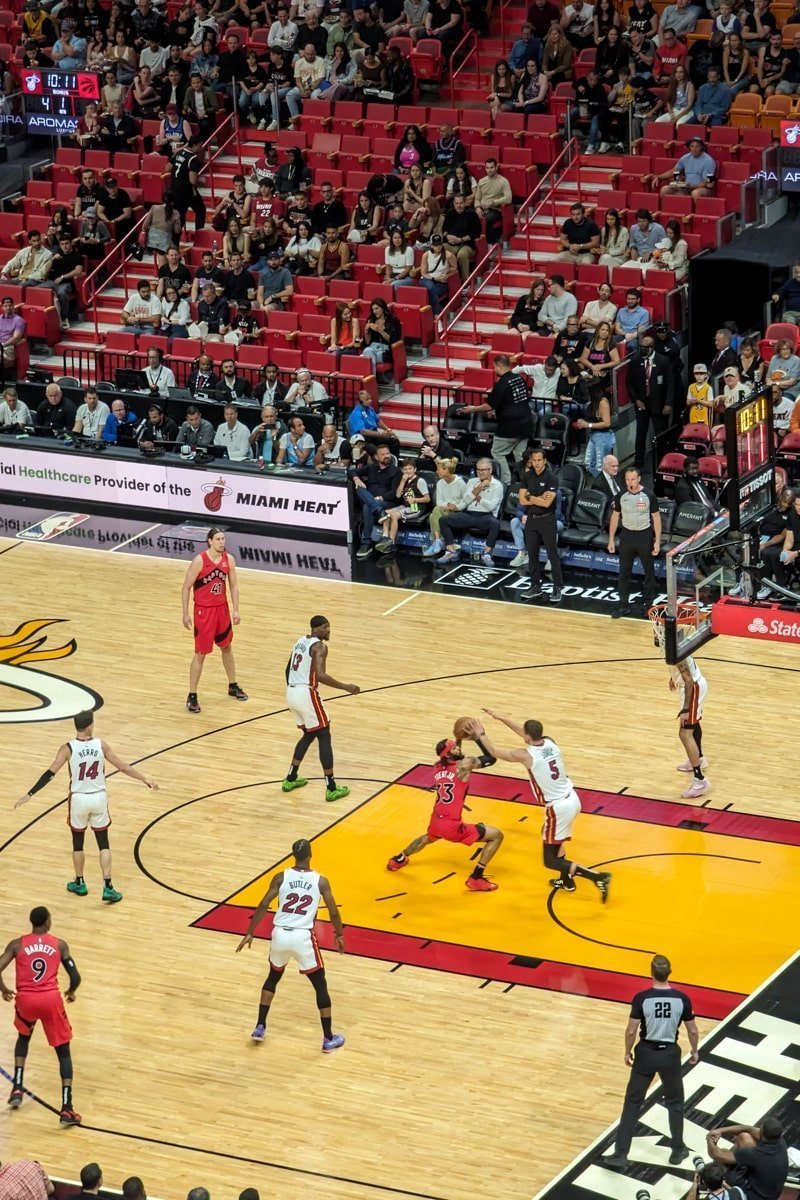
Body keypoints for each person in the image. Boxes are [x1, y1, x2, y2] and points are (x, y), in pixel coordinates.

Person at [14, 710, 157, 903]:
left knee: (77, 842)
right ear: (90, 725)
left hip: (78, 799)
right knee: (103, 842)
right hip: (98, 797)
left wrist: (29, 794)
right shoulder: (101, 745)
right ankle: (108, 887)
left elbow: (50, 773)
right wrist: (144, 778)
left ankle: (79, 882)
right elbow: (123, 767)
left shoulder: (67, 748)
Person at [477, 711, 611, 897]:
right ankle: (566, 880)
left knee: (549, 860)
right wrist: (501, 718)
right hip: (572, 798)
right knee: (550, 837)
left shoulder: (526, 756)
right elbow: (525, 733)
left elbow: (494, 752)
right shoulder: (550, 742)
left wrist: (480, 735)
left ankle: (598, 878)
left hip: (558, 808)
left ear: (526, 736)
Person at [236, 838, 346, 1052]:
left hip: (279, 934)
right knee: (320, 985)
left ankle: (260, 1026)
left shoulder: (281, 876)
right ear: (311, 854)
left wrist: (250, 932)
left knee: (273, 977)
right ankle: (328, 1039)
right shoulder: (320, 881)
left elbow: (264, 903)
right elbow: (333, 911)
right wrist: (339, 934)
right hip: (302, 936)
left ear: (293, 855)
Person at [602, 954, 699, 1170]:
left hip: (645, 1053)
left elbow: (631, 1030)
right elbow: (692, 1029)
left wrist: (627, 1051)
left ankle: (620, 1154)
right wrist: (694, 1050)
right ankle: (677, 1150)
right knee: (675, 1103)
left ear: (651, 972)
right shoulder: (682, 998)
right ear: (670, 972)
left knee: (632, 1103)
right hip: (670, 1055)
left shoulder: (642, 998)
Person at [386, 731, 503, 890]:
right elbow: (491, 757)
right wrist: (477, 736)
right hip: (452, 825)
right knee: (496, 836)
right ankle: (476, 877)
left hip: (437, 819)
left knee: (427, 838)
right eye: (454, 748)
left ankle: (399, 858)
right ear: (448, 755)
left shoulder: (437, 766)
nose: (458, 749)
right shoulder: (464, 766)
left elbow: (453, 757)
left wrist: (459, 738)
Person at [0, 906, 82, 1126]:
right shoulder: (59, 944)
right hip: (50, 1000)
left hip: (26, 1000)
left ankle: (17, 1087)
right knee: (63, 1052)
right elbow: (75, 976)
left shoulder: (17, 944)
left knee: (23, 1038)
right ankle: (67, 1108)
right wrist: (71, 991)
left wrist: (3, 989)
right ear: (46, 922)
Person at [282, 616, 358, 802]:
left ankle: (291, 778)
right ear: (316, 629)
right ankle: (331, 787)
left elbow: (287, 669)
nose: (328, 630)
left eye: (329, 627)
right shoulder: (320, 647)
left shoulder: (300, 641)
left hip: (291, 691)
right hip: (305, 693)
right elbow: (321, 675)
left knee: (309, 734)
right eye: (325, 627)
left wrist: (293, 693)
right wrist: (346, 687)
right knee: (324, 734)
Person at [181, 528, 248, 714]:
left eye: (223, 539)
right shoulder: (200, 561)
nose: (222, 542)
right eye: (218, 539)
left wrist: (236, 609)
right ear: (209, 541)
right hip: (204, 612)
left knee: (227, 647)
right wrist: (185, 613)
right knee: (201, 653)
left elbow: (234, 586)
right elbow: (186, 588)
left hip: (222, 610)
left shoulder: (229, 560)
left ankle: (232, 685)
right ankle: (192, 695)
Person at [458, 355, 533, 486]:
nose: (494, 370)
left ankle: (506, 483)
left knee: (497, 452)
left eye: (494, 367)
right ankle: (526, 482)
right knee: (520, 455)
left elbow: (489, 405)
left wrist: (472, 409)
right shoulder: (520, 379)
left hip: (509, 426)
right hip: (526, 424)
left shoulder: (501, 383)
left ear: (499, 366)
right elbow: (516, 400)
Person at [608, 465, 661, 618]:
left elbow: (656, 518)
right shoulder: (621, 496)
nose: (630, 482)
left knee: (648, 572)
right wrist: (611, 539)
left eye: (633, 479)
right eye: (627, 479)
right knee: (624, 572)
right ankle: (623, 605)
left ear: (639, 479)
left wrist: (657, 541)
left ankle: (649, 605)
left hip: (644, 535)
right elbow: (615, 517)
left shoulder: (649, 495)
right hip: (626, 536)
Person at [519, 447, 563, 603]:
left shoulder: (552, 478)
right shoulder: (527, 476)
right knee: (532, 554)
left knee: (552, 554)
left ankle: (557, 587)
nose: (536, 463)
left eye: (539, 460)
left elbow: (547, 503)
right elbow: (522, 500)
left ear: (544, 461)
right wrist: (537, 497)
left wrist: (531, 495)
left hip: (547, 520)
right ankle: (535, 586)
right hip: (531, 519)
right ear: (531, 461)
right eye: (534, 460)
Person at [665, 648, 711, 798]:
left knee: (684, 733)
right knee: (693, 724)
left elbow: (689, 680)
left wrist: (686, 709)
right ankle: (700, 759)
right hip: (693, 685)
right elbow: (684, 668)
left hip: (693, 687)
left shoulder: (674, 647)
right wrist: (674, 677)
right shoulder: (674, 640)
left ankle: (700, 781)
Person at [706, 1118, 789, 1200]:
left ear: (762, 1132)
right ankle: (735, 1162)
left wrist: (710, 1140)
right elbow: (749, 1129)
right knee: (744, 1136)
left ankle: (723, 1183)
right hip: (770, 1192)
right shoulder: (780, 1141)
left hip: (753, 1195)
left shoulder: (755, 1154)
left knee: (722, 1158)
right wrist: (720, 1130)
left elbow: (716, 1155)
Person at [353, 443, 403, 557]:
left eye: (388, 454)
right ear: (377, 457)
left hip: (387, 502)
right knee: (359, 487)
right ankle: (378, 510)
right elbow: (352, 471)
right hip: (373, 501)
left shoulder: (396, 471)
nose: (386, 456)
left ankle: (366, 542)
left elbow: (394, 494)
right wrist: (356, 478)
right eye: (383, 454)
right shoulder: (372, 467)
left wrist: (380, 498)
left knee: (367, 506)